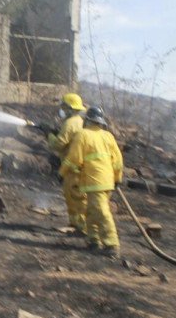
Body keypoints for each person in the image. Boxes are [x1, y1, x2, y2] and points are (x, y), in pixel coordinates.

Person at [60, 107, 124, 258]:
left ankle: (112, 244)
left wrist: (62, 172)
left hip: (94, 181)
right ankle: (93, 240)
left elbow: (73, 158)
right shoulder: (108, 136)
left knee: (101, 211)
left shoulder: (83, 135)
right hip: (106, 181)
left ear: (87, 120)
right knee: (91, 211)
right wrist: (117, 178)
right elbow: (118, 160)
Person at [48, 93, 87, 235]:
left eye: (64, 107)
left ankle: (81, 227)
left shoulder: (70, 123)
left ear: (70, 108)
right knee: (71, 197)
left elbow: (59, 145)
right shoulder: (79, 121)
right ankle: (75, 224)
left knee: (76, 198)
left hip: (73, 167)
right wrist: (55, 132)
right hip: (74, 166)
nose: (61, 109)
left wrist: (49, 135)